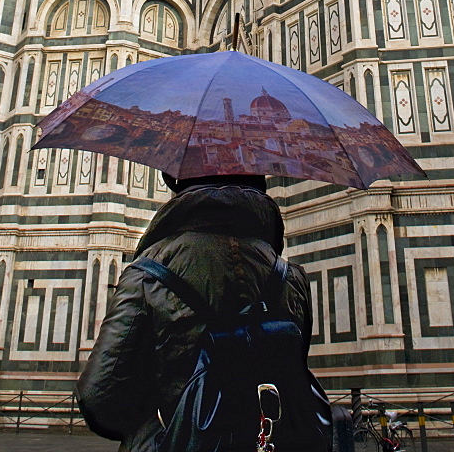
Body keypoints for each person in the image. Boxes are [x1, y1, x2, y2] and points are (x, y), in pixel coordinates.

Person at [76, 173, 324, 452]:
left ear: (180, 186)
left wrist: (165, 424)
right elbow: (291, 374)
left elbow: (99, 397)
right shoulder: (291, 278)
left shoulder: (147, 275)